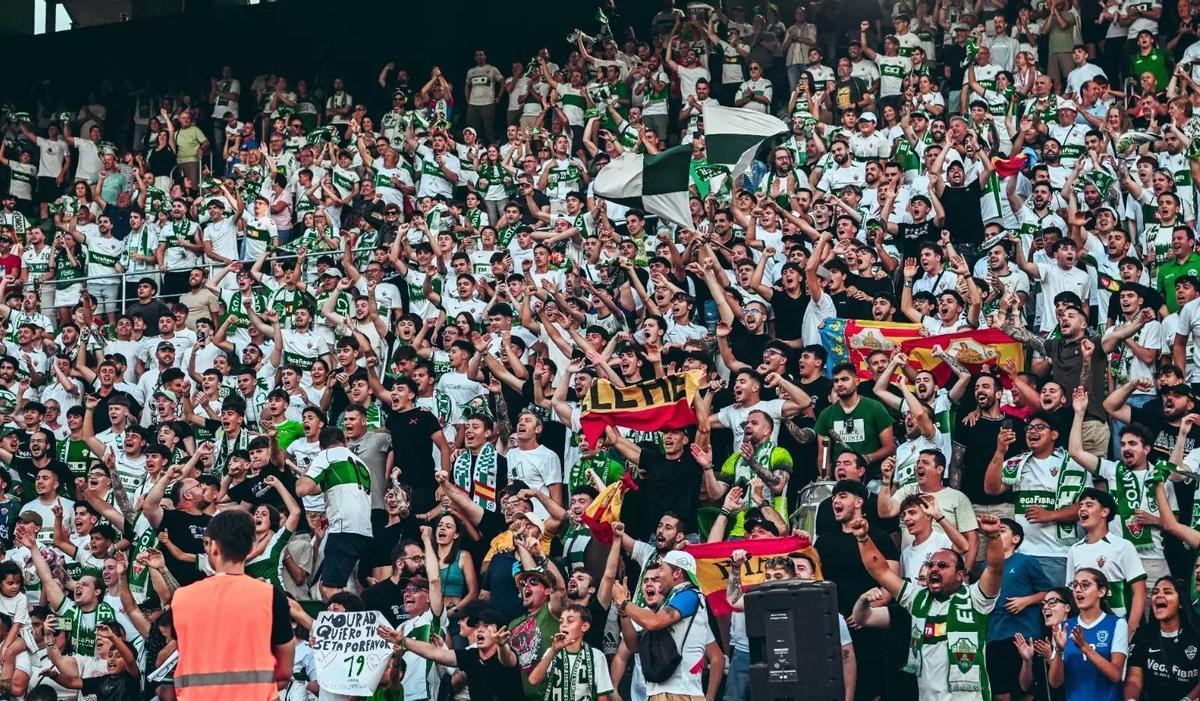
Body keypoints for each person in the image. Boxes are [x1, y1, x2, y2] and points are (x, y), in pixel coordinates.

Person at [166, 509, 294, 700]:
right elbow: (284, 671)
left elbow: (184, 650)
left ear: (214, 547)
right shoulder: (270, 596)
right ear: (251, 548)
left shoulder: (182, 598)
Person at [1049, 567, 1127, 701]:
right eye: (1075, 585)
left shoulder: (1117, 624)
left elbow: (1115, 675)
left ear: (1101, 592)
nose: (1078, 590)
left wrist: (1084, 647)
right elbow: (1055, 683)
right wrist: (1059, 651)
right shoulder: (1063, 627)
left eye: (1085, 585)